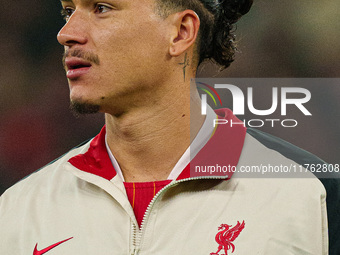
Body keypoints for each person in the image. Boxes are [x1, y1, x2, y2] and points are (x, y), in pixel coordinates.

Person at [0, 0, 339, 254]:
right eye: (68, 10)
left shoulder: (315, 198)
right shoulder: (17, 209)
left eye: (101, 8)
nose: (66, 33)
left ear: (180, 32)